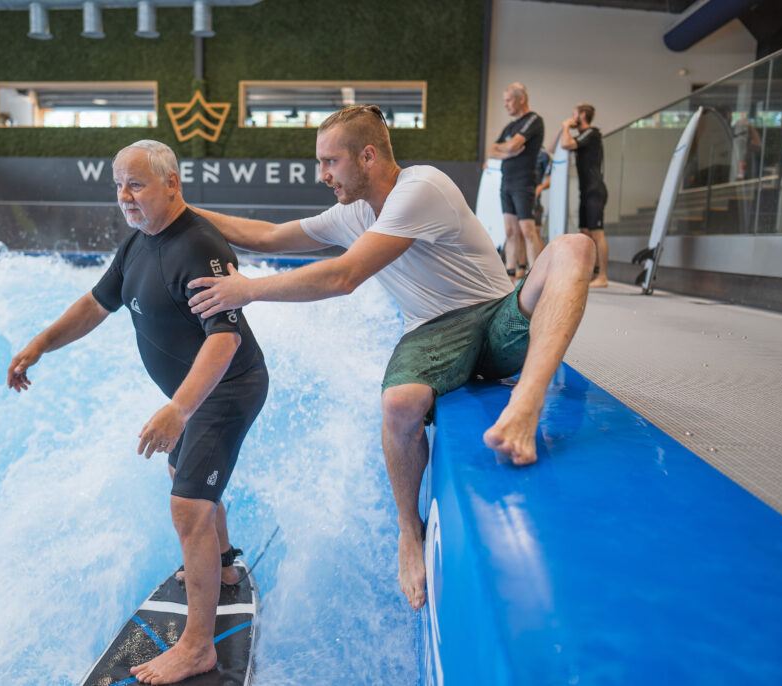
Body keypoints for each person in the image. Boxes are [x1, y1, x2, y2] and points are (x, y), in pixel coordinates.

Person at [182, 105, 594, 612]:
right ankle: (409, 531)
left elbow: (344, 276)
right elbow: (268, 237)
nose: (322, 175)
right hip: (432, 330)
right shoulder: (351, 213)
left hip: (495, 314)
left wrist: (245, 290)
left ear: (368, 156)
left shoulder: (421, 188)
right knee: (399, 405)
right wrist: (180, 212)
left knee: (573, 247)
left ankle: (526, 406)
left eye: (330, 162)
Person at [6, 140, 268, 685]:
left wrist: (178, 409)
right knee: (186, 474)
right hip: (196, 393)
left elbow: (225, 341)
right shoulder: (138, 244)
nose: (125, 196)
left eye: (137, 184)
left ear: (172, 183)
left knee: (188, 505)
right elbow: (95, 305)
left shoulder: (199, 246)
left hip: (226, 387)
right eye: (118, 185)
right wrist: (40, 343)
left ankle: (198, 647)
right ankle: (221, 565)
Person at [489, 83, 545, 277]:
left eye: (508, 100)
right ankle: (510, 276)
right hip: (507, 182)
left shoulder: (534, 120)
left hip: (524, 182)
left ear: (521, 99)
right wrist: (509, 151)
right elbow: (492, 151)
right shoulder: (510, 127)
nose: (505, 105)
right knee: (510, 231)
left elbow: (515, 144)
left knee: (528, 231)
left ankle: (537, 276)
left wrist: (506, 147)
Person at [559, 103, 609, 288]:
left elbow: (567, 144)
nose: (571, 117)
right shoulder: (582, 136)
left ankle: (602, 276)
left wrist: (566, 126)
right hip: (585, 191)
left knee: (597, 234)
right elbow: (554, 147)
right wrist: (563, 128)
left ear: (582, 115)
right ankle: (590, 272)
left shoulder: (592, 133)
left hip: (595, 190)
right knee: (584, 234)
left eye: (574, 114)